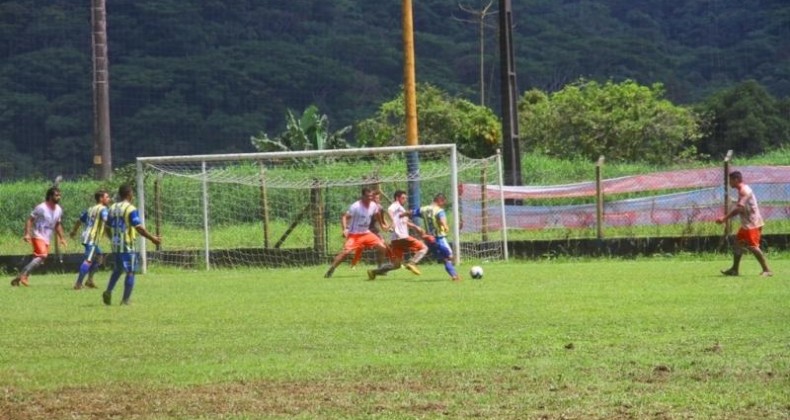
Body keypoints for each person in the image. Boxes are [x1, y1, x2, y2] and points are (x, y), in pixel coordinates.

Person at [103, 184, 161, 305]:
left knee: (118, 269)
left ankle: (108, 291)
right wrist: (152, 238)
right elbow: (139, 228)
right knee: (130, 271)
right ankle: (125, 300)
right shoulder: (130, 209)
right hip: (127, 245)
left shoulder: (112, 207)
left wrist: (112, 238)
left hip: (115, 245)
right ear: (130, 194)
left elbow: (106, 227)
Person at [716, 171, 773, 277]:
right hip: (746, 224)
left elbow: (740, 208)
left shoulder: (744, 191)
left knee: (753, 247)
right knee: (738, 244)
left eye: (730, 180)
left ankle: (767, 270)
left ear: (736, 179)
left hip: (752, 224)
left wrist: (725, 218)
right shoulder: (743, 189)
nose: (729, 183)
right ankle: (734, 270)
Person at [324, 187, 389, 278]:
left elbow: (377, 213)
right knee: (346, 252)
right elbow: (344, 217)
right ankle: (331, 269)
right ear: (362, 196)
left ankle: (380, 269)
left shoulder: (373, 205)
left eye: (371, 196)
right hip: (355, 235)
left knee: (382, 247)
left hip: (366, 233)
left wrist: (382, 224)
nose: (370, 198)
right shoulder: (355, 206)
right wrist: (345, 229)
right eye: (367, 196)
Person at [10, 186, 67, 287]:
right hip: (37, 235)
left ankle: (18, 278)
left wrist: (62, 238)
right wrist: (27, 233)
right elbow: (30, 220)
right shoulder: (41, 207)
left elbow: (57, 225)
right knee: (42, 255)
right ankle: (24, 275)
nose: (59, 197)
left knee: (39, 259)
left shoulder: (59, 209)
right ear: (50, 196)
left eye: (59, 195)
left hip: (47, 238)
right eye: (57, 195)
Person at [366, 190, 428, 280]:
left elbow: (405, 222)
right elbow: (390, 210)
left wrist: (416, 227)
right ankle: (412, 262)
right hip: (402, 237)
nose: (405, 199)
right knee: (424, 248)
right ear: (397, 198)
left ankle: (373, 272)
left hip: (395, 240)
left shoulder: (401, 209)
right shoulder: (395, 206)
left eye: (405, 198)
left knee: (396, 265)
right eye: (403, 198)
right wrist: (392, 221)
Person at [413, 193, 461, 282]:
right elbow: (442, 219)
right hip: (439, 238)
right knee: (449, 256)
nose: (443, 205)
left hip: (430, 240)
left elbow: (411, 212)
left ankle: (454, 276)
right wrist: (445, 225)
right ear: (440, 200)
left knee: (445, 258)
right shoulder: (439, 211)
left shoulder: (424, 209)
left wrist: (402, 215)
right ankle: (454, 276)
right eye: (443, 203)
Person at [69, 189, 111, 289]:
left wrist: (74, 231)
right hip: (91, 238)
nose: (109, 199)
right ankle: (78, 284)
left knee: (99, 256)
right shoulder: (103, 209)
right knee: (88, 260)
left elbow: (79, 220)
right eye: (107, 197)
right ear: (101, 199)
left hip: (88, 236)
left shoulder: (90, 209)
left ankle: (89, 280)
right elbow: (106, 220)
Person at [350, 190, 386, 270]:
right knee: (360, 247)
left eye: (378, 198)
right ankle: (354, 264)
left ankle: (385, 264)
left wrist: (384, 225)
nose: (376, 199)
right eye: (375, 198)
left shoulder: (380, 208)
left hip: (375, 229)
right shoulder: (366, 206)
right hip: (366, 229)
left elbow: (382, 219)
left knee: (383, 245)